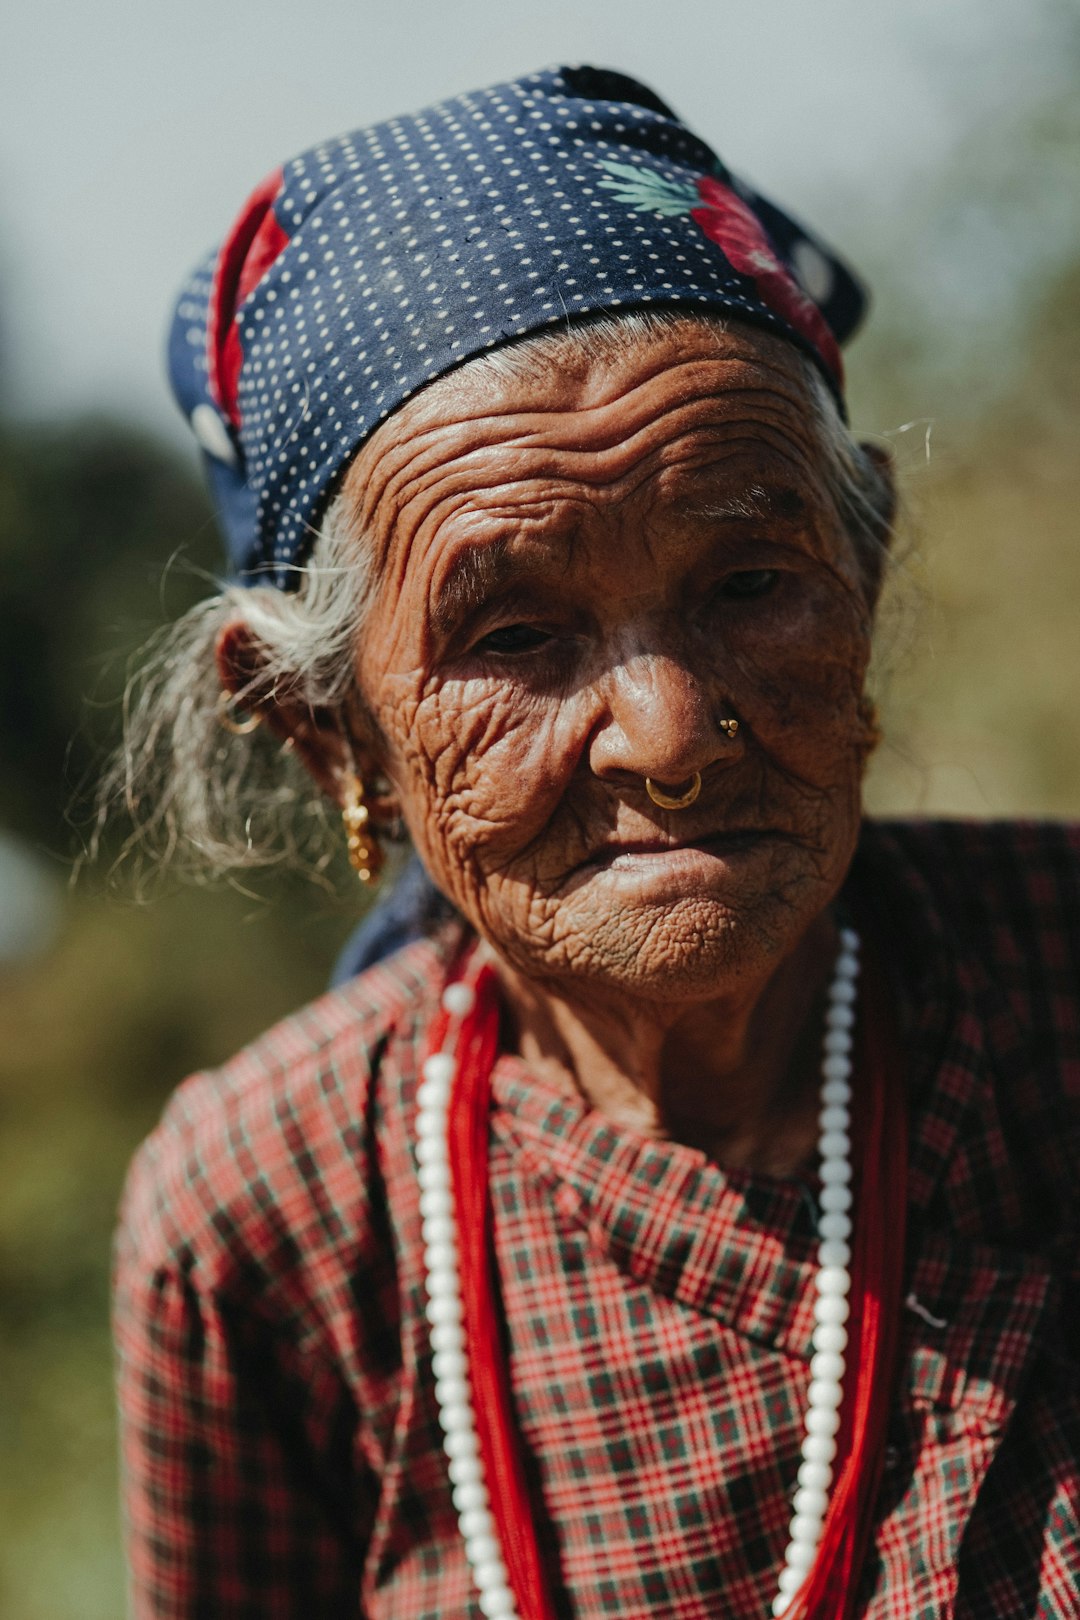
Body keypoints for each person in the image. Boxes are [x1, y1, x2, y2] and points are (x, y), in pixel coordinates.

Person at [110, 65, 1080, 1620]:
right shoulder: (270, 1224)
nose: (671, 731)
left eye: (751, 581)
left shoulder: (1052, 990)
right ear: (327, 729)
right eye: (514, 634)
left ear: (867, 567)